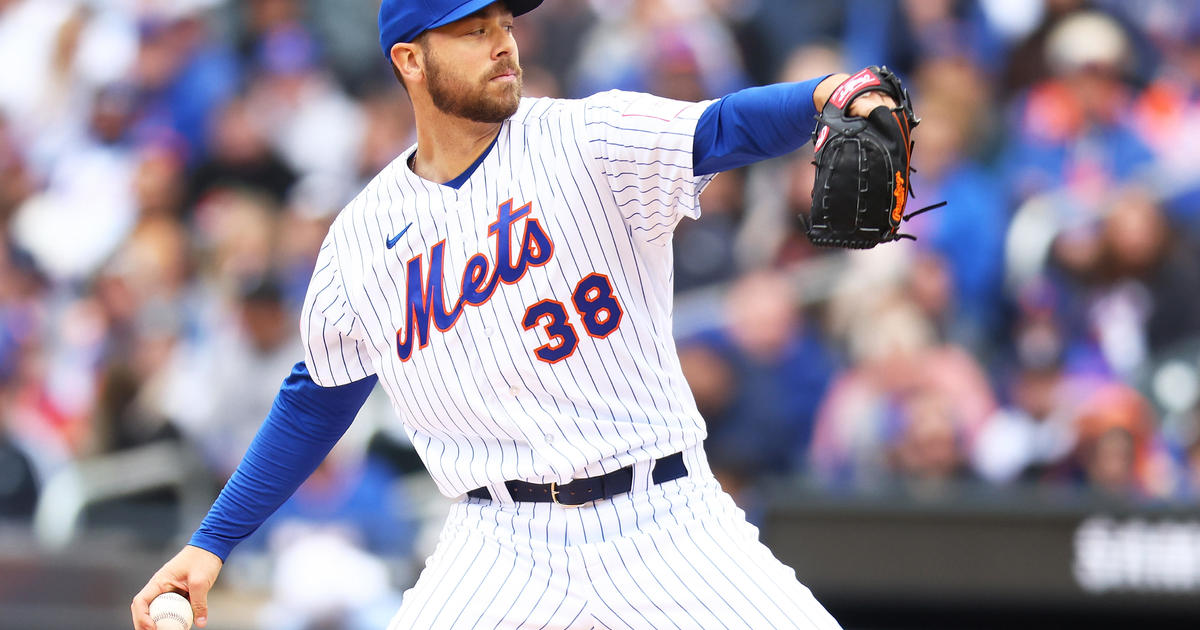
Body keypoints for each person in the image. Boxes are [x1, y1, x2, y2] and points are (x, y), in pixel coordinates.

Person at [131, 1, 896, 628]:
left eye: (504, 23)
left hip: (665, 515)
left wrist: (826, 94)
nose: (502, 44)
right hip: (500, 545)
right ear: (409, 60)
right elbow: (317, 397)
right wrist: (214, 540)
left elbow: (721, 127)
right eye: (472, 31)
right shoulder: (360, 239)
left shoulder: (584, 136)